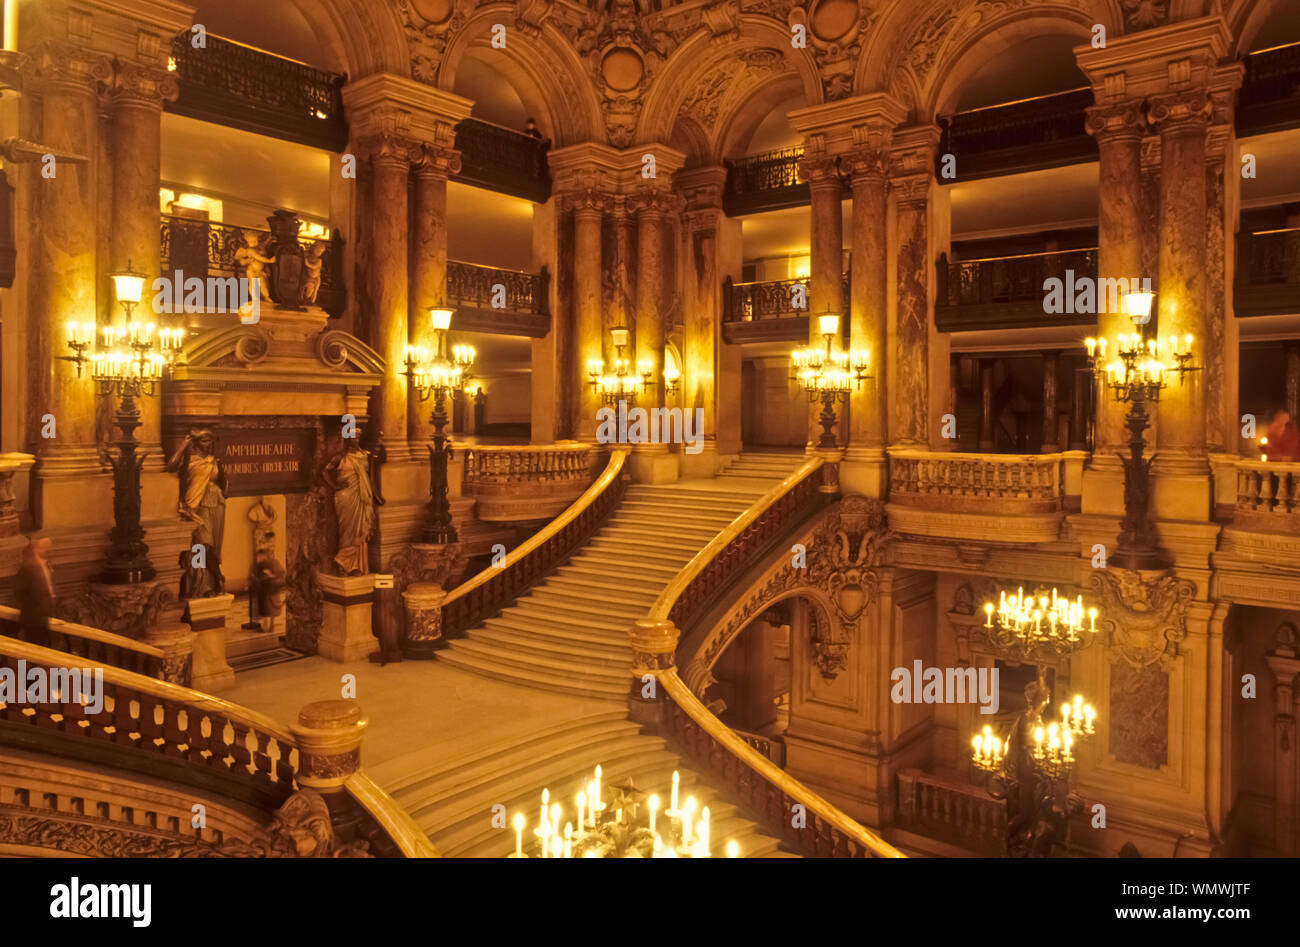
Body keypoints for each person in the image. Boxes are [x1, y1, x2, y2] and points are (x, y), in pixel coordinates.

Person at [15, 537, 55, 647]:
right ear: (36, 548)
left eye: (50, 547)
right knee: (34, 650)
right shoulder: (28, 567)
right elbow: (18, 593)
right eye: (45, 547)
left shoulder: (47, 565)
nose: (48, 550)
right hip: (33, 619)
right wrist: (37, 605)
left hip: (44, 617)